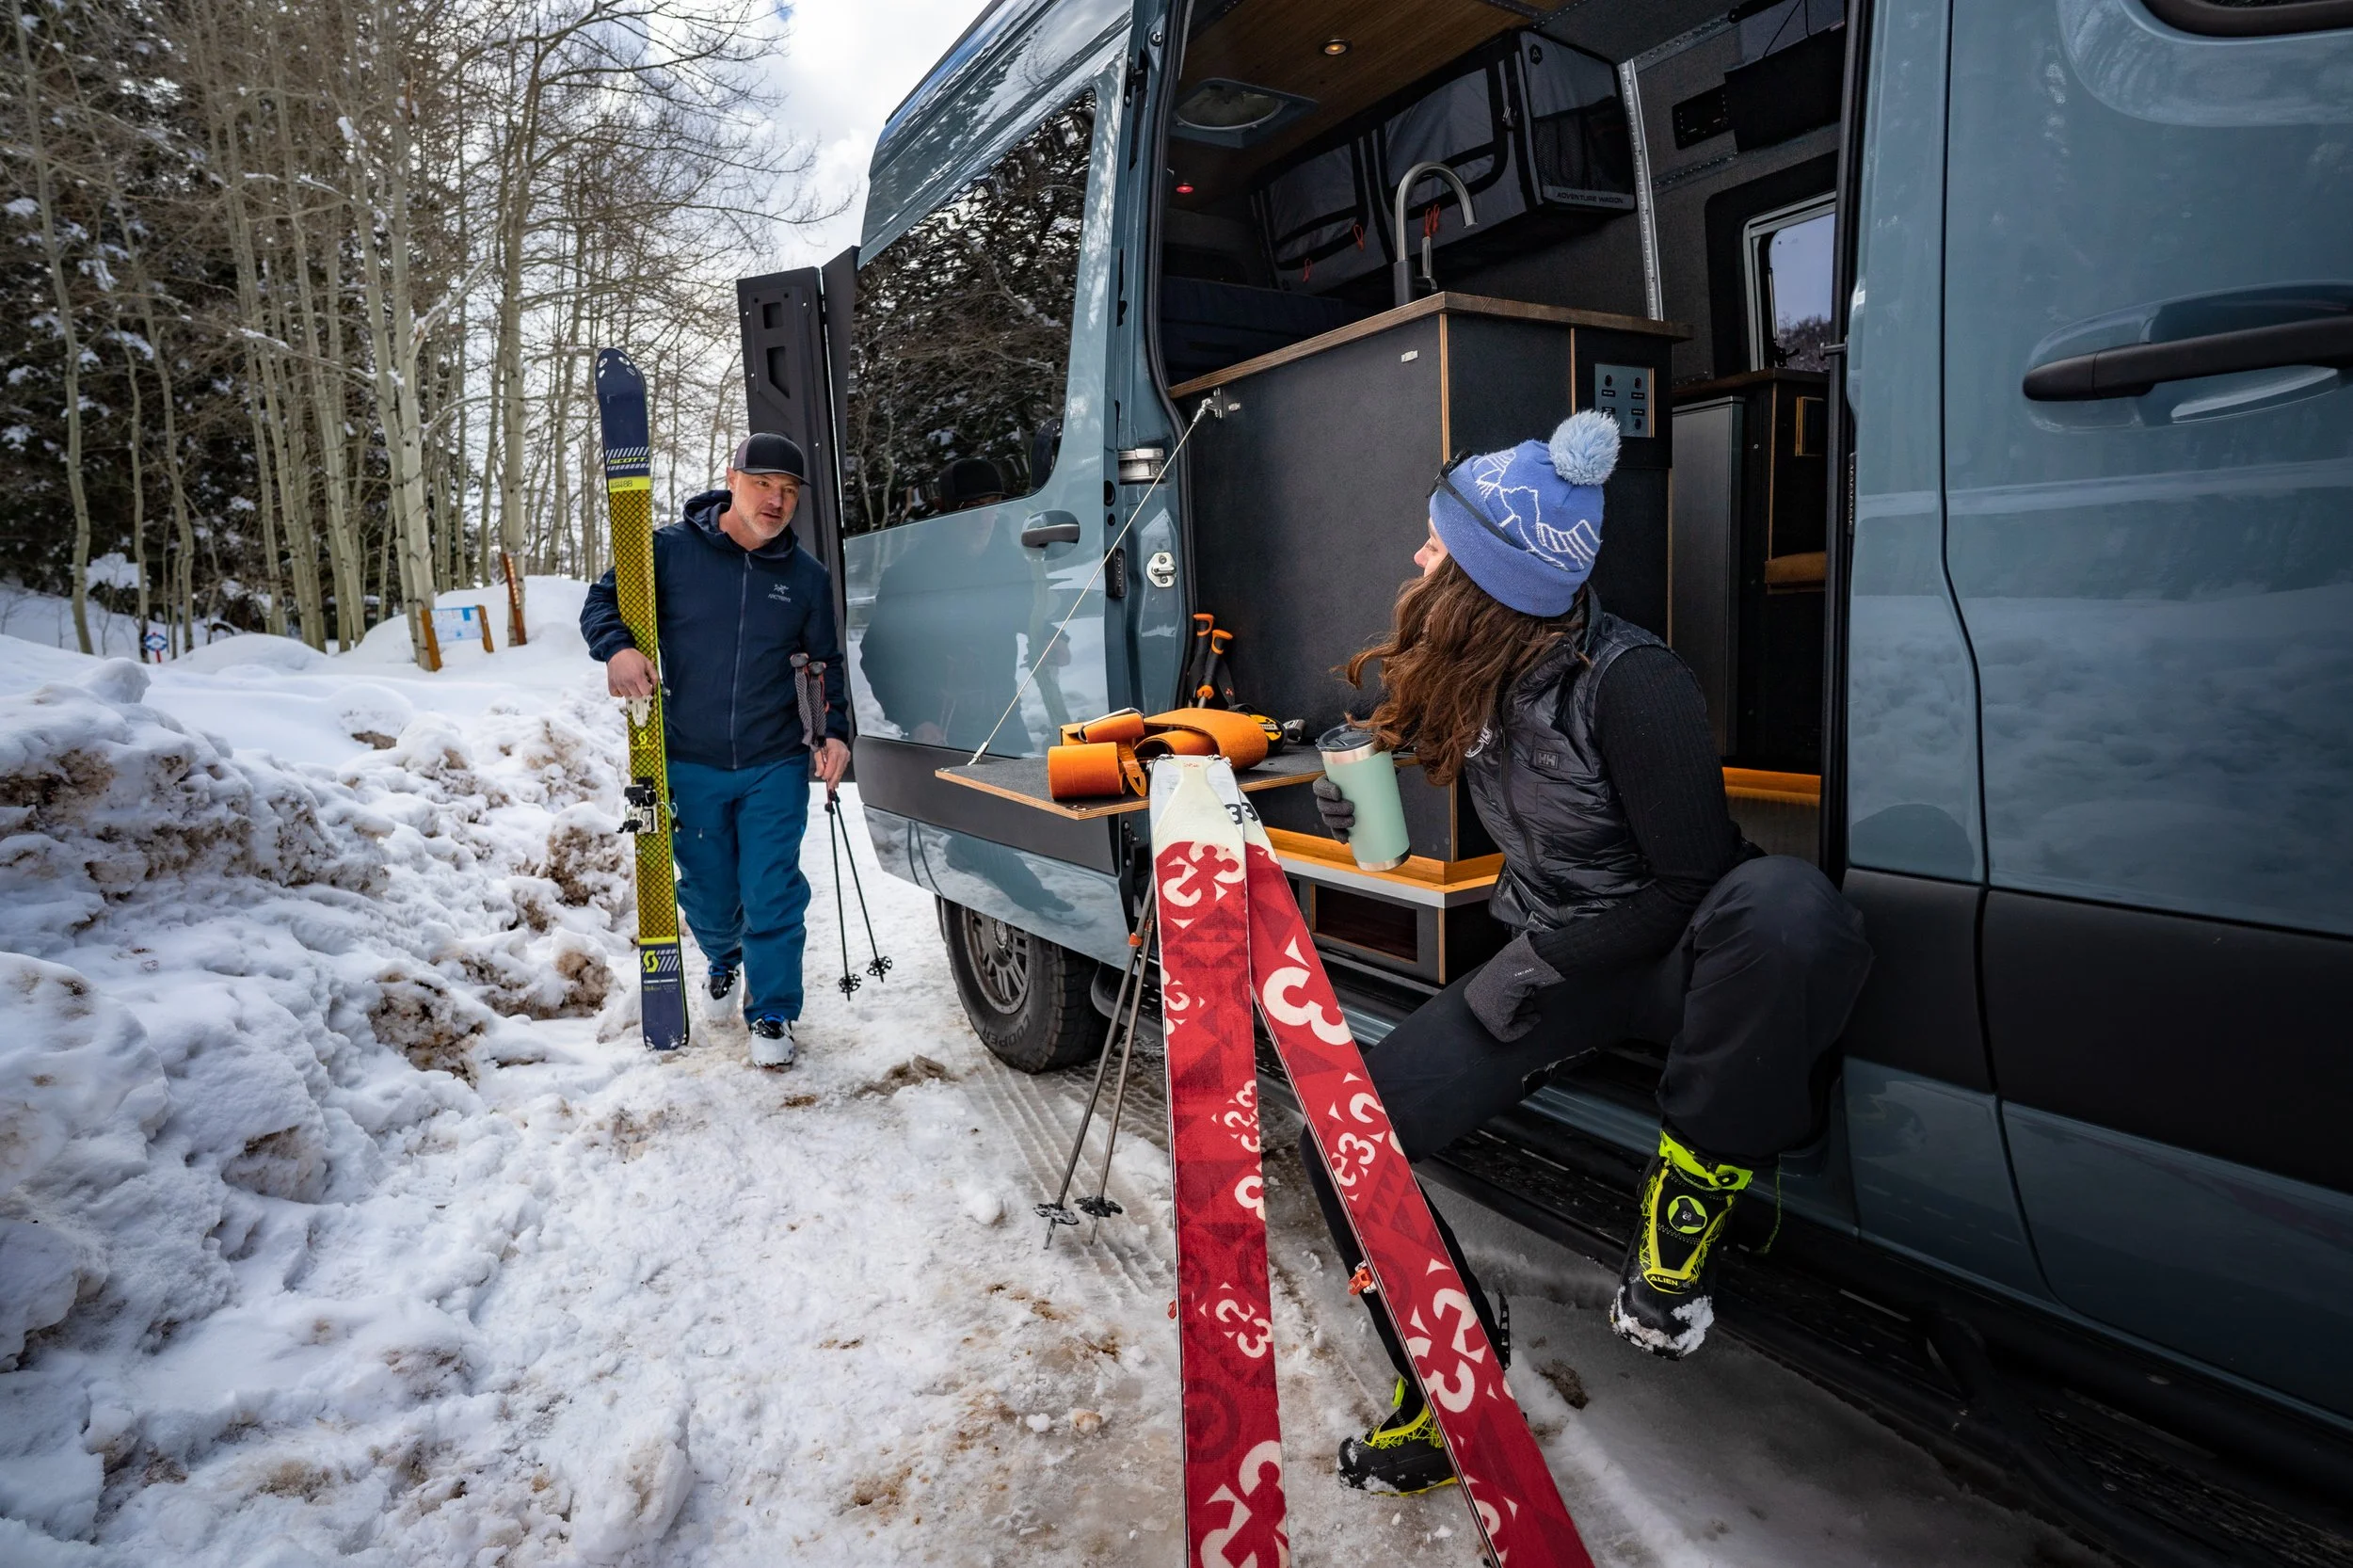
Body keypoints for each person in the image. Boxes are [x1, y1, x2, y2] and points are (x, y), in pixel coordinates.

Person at [1305, 410, 1872, 1496]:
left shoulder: (1631, 679)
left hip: (1663, 957)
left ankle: (1685, 1207)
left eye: (1436, 543)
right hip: (1559, 955)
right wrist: (1351, 806)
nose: (1417, 556)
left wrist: (1534, 965)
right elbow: (1444, 787)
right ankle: (1442, 1376)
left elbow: (1688, 883)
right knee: (1348, 1140)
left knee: (1786, 905)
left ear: (1483, 575)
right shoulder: (1471, 667)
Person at [580, 433, 851, 1068]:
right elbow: (601, 604)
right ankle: (724, 959)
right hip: (690, 758)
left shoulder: (805, 578)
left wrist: (834, 732)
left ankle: (775, 1010)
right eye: (763, 485)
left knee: (771, 888)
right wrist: (617, 649)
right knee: (707, 892)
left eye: (788, 491)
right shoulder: (667, 553)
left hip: (774, 758)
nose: (776, 500)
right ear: (732, 479)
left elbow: (820, 663)